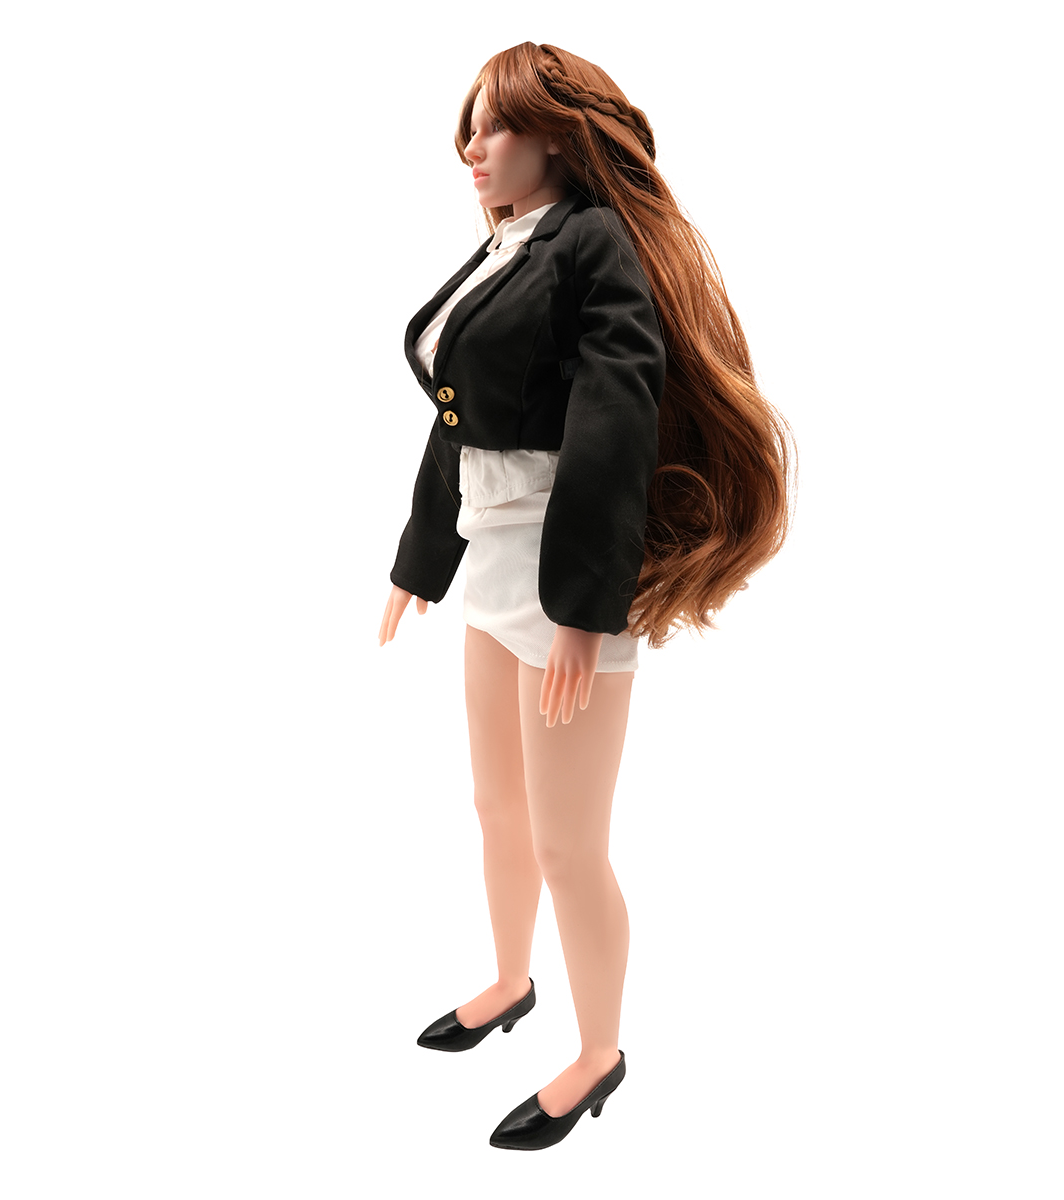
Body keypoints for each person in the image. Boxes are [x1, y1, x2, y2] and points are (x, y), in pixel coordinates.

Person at [378, 41, 794, 1151]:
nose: (472, 148)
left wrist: (584, 609)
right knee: (496, 806)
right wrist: (419, 563)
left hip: (567, 574)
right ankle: (510, 980)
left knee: (570, 843)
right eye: (470, 126)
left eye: (497, 126)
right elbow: (458, 418)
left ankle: (599, 1052)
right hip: (493, 564)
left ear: (559, 137)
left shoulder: (591, 242)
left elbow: (617, 421)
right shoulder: (501, 247)